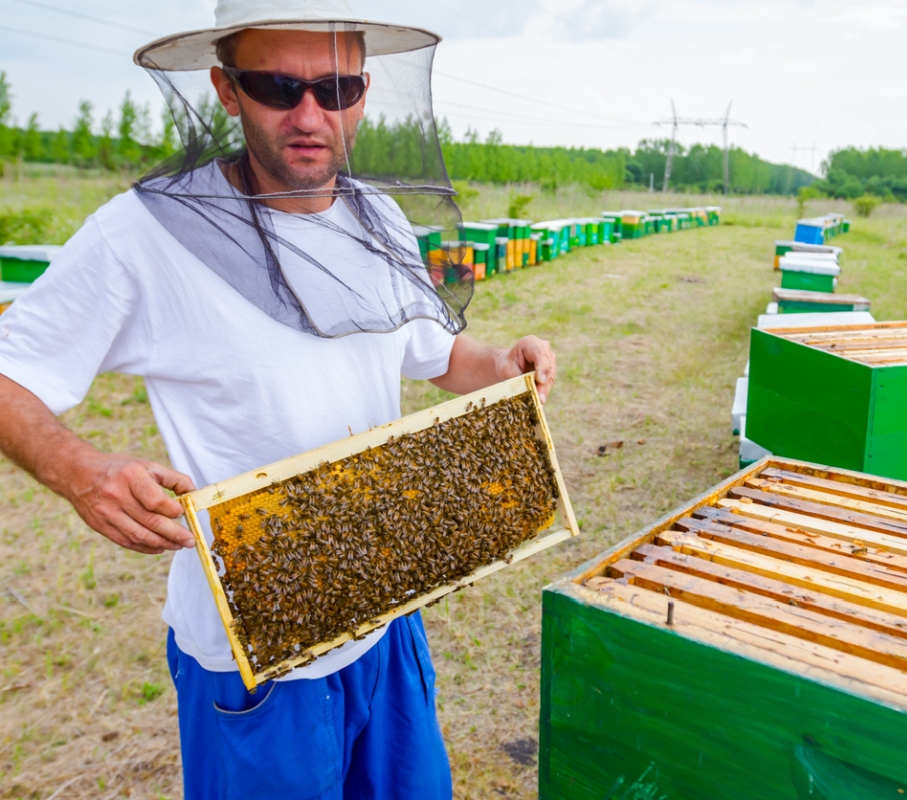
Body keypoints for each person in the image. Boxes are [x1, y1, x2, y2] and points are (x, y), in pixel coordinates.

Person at [0, 2, 554, 797]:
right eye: (275, 85)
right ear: (226, 89)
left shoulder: (382, 221)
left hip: (387, 614)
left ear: (363, 92)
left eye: (335, 87)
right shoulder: (142, 236)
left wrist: (505, 364)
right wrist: (78, 469)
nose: (308, 115)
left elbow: (436, 355)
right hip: (255, 657)